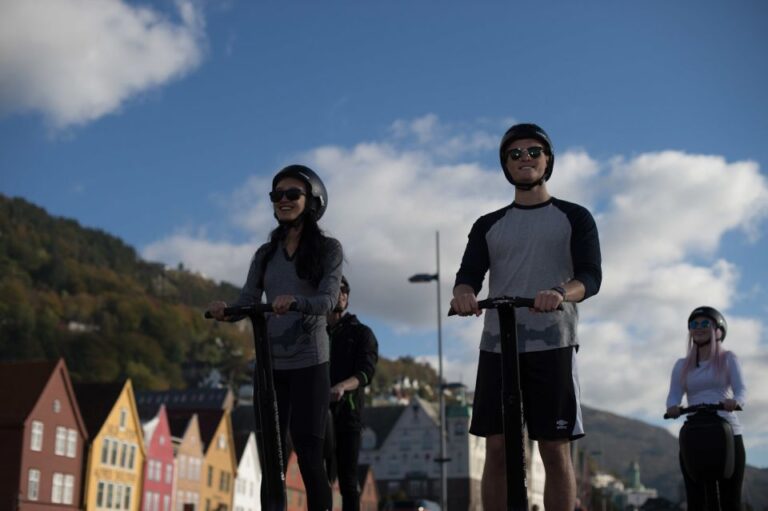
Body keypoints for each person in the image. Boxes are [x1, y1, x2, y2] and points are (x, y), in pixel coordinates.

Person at [450, 123, 602, 511]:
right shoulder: (488, 224)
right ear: (505, 165)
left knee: (554, 447)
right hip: (498, 346)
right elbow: (468, 276)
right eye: (514, 154)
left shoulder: (575, 216)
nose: (525, 159)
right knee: (497, 447)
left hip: (552, 343)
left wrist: (559, 293)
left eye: (534, 151)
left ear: (548, 160)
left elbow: (590, 276)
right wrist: (464, 295)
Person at [209, 164, 343, 511]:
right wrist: (228, 311)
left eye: (292, 194)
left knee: (309, 450)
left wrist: (297, 301)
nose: (283, 200)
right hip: (270, 366)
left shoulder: (328, 249)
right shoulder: (265, 254)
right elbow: (248, 301)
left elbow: (328, 300)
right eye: (277, 195)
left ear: (312, 200)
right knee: (272, 454)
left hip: (311, 362)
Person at [665, 306, 747, 510]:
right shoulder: (682, 365)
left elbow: (741, 390)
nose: (698, 328)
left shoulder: (729, 359)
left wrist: (735, 402)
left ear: (717, 329)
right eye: (693, 324)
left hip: (727, 430)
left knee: (730, 498)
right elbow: (674, 394)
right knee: (696, 498)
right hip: (696, 429)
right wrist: (673, 407)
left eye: (704, 324)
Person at [327, 275, 379, 511]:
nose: (342, 294)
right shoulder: (314, 335)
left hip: (348, 416)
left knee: (348, 481)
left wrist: (341, 386)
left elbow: (366, 373)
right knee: (318, 477)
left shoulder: (362, 334)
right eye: (336, 290)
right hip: (317, 415)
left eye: (345, 291)